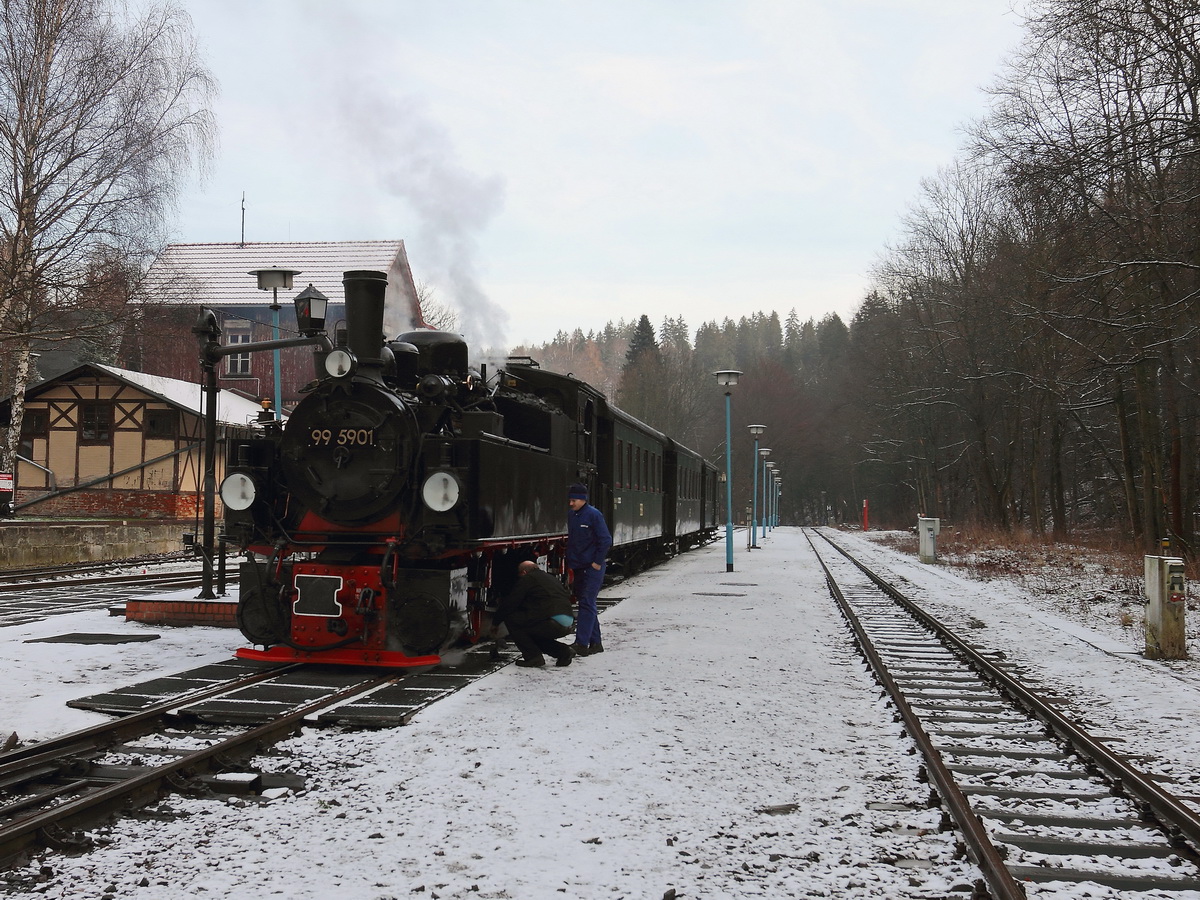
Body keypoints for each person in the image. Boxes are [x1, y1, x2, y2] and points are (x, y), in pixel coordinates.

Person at [491, 560, 576, 668]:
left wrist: (496, 622)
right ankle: (563, 652)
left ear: (524, 572)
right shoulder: (550, 578)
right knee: (531, 633)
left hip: (551, 621)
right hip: (568, 622)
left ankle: (533, 657)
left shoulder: (528, 579)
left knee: (512, 620)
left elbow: (511, 602)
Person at [566, 482, 611, 655]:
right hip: (578, 566)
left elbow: (605, 539)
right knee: (587, 603)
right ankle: (596, 642)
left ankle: (581, 643)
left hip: (591, 567)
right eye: (570, 500)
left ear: (583, 499)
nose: (571, 503)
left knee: (586, 602)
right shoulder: (573, 515)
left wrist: (597, 562)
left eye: (575, 500)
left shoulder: (594, 515)